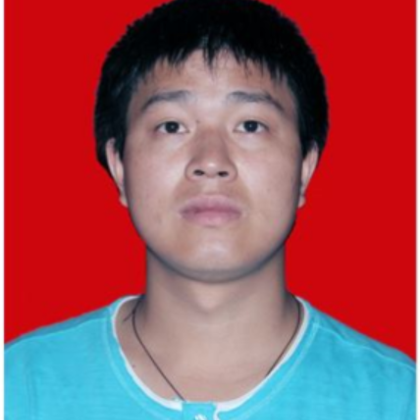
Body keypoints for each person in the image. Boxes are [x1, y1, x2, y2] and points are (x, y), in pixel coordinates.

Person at [6, 0, 415, 418]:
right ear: (120, 167)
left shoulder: (399, 398)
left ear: (305, 169)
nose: (211, 161)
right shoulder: (19, 384)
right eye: (172, 126)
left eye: (250, 126)